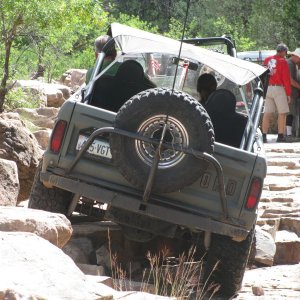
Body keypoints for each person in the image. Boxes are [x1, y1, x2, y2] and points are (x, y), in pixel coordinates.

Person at [262, 43, 291, 143]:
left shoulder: (266, 60)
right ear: (283, 51)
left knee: (267, 113)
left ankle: (264, 136)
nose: (285, 54)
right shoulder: (283, 62)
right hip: (278, 89)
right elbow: (286, 79)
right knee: (282, 113)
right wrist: (288, 94)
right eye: (286, 52)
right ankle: (280, 136)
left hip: (267, 89)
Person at [286, 48, 300, 138]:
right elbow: (290, 80)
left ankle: (290, 133)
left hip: (292, 93)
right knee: (291, 113)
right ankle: (289, 134)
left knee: (292, 113)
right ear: (296, 56)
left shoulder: (293, 64)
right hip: (290, 93)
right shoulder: (290, 64)